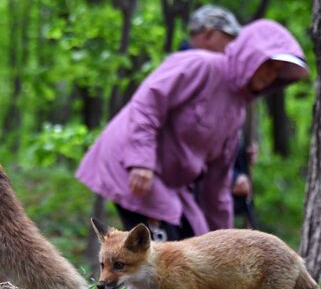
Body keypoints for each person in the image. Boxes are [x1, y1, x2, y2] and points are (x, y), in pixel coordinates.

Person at [76, 19, 308, 241]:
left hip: (173, 182)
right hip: (132, 162)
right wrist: (141, 162)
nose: (269, 75)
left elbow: (217, 182)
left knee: (197, 240)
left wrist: (225, 240)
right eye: (267, 64)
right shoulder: (200, 65)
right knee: (164, 256)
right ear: (250, 55)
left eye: (276, 71)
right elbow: (147, 106)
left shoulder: (238, 110)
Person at [183, 5, 260, 228]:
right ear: (208, 34)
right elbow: (193, 136)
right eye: (228, 40)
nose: (232, 48)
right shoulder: (194, 71)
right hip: (190, 189)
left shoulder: (214, 71)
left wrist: (239, 152)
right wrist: (233, 176)